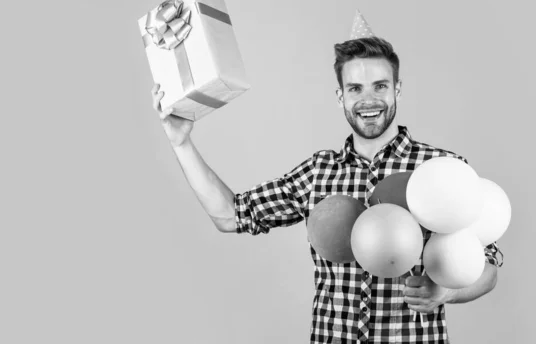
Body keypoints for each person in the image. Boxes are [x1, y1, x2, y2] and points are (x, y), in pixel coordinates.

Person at [150, 33, 503, 343]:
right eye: (355, 88)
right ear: (340, 96)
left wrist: (445, 292)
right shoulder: (317, 172)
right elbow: (231, 215)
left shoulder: (443, 170)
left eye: (380, 85)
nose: (369, 100)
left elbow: (487, 269)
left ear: (397, 89)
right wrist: (181, 143)